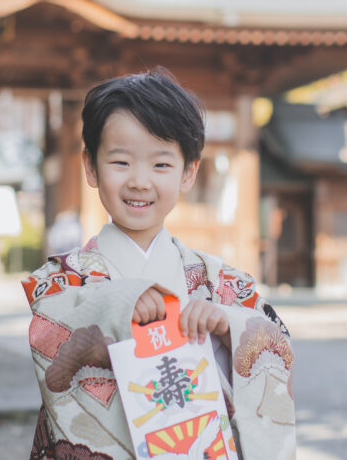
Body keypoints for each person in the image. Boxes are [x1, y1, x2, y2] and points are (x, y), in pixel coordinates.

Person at [22, 69, 295, 459]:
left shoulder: (219, 281)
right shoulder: (63, 280)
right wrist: (116, 303)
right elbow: (49, 337)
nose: (139, 181)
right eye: (121, 162)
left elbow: (273, 346)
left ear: (189, 172)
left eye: (161, 165)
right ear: (90, 166)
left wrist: (227, 326)